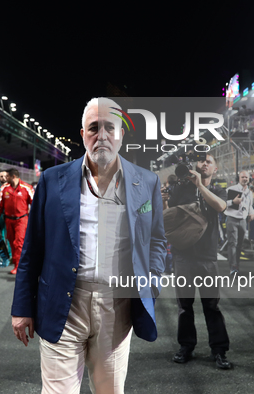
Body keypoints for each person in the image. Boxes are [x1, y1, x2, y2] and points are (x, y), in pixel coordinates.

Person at [11, 97, 166, 393]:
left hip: (117, 306)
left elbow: (156, 240)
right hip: (62, 304)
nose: (102, 135)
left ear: (121, 133)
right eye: (94, 128)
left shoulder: (146, 182)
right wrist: (21, 306)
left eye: (110, 127)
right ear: (82, 134)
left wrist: (152, 282)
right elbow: (32, 248)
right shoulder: (52, 180)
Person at [163, 153, 232, 370]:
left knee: (211, 305)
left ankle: (219, 350)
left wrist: (200, 186)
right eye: (201, 161)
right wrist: (164, 198)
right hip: (183, 254)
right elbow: (169, 216)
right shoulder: (181, 189)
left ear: (215, 169)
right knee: (184, 306)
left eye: (208, 161)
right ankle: (186, 346)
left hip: (207, 255)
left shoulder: (218, 189)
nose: (203, 163)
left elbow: (221, 206)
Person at [0, 168, 33, 275]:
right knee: (11, 242)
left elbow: (35, 203)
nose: (4, 179)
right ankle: (17, 262)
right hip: (8, 220)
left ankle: (18, 267)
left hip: (22, 219)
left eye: (7, 177)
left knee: (19, 243)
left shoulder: (27, 188)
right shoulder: (4, 188)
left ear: (13, 177)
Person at [224, 170, 254, 275]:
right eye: (243, 177)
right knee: (232, 243)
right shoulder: (230, 190)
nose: (244, 179)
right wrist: (233, 202)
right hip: (232, 219)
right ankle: (232, 267)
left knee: (239, 245)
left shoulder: (249, 193)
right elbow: (223, 203)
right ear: (239, 178)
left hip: (243, 220)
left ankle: (236, 265)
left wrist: (252, 213)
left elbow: (249, 206)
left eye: (246, 177)